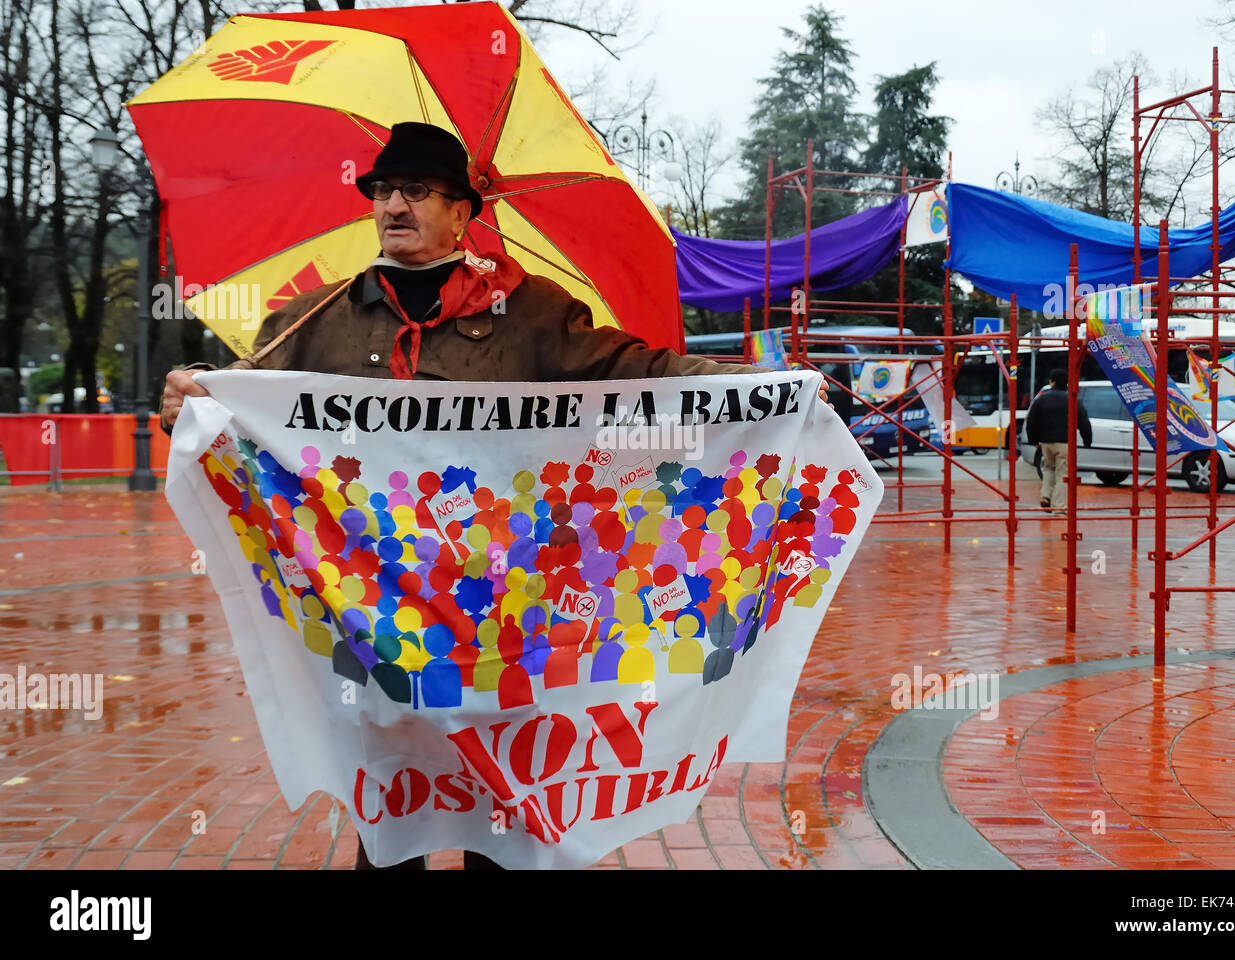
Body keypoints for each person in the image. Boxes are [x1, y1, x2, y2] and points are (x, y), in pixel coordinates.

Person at [160, 121, 827, 871]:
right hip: (371, 606)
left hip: (503, 606)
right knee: (388, 803)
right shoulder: (319, 318)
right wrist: (192, 395)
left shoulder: (535, 313)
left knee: (503, 800)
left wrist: (764, 390)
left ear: (461, 213)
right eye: (382, 190)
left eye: (417, 190)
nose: (393, 206)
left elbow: (641, 376)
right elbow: (242, 397)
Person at [1023, 368, 1092, 515]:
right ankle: (1059, 506)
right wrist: (1087, 441)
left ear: (1052, 382)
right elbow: (1084, 422)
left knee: (1048, 468)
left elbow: (1031, 421)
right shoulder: (1073, 400)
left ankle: (1045, 496)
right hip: (1065, 443)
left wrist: (1033, 440)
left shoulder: (1041, 399)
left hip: (1046, 442)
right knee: (1063, 474)